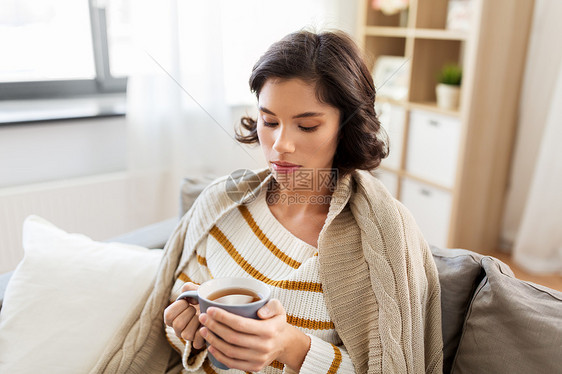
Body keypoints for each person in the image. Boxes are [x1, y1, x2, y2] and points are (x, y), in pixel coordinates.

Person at [97, 30, 443, 374]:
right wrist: (187, 331)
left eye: (306, 126)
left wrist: (293, 348)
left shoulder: (382, 240)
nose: (280, 145)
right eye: (269, 121)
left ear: (346, 126)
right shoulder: (222, 206)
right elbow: (175, 332)